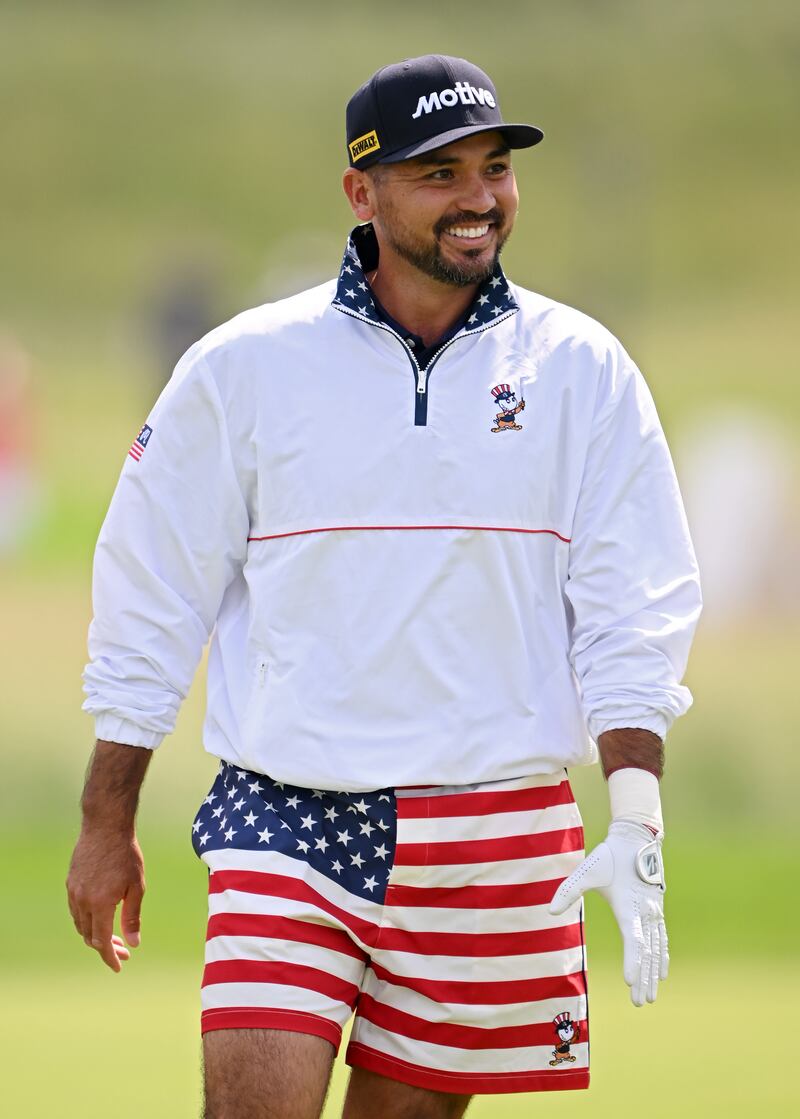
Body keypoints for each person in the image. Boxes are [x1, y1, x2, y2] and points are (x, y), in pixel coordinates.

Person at [67, 54, 701, 1119]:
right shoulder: (245, 367)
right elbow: (153, 594)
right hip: (290, 812)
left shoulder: (583, 368)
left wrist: (634, 817)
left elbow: (629, 611)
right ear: (360, 194)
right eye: (437, 172)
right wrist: (104, 814)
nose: (477, 198)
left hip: (498, 830)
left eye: (493, 168)